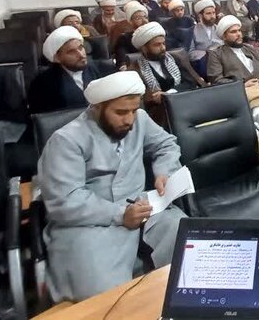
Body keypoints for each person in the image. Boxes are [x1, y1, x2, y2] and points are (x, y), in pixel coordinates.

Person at [37, 72, 187, 302]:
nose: (129, 120)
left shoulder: (140, 119)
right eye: (120, 112)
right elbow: (65, 200)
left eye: (133, 110)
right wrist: (120, 215)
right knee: (104, 295)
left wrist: (164, 171)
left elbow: (166, 145)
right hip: (89, 221)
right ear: (98, 108)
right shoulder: (66, 140)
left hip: (142, 208)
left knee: (189, 247)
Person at [128, 22, 204, 128]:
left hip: (184, 102)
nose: (163, 48)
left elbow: (189, 82)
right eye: (157, 45)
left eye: (163, 43)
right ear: (144, 48)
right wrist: (155, 98)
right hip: (160, 114)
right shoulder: (135, 70)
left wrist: (169, 93)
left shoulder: (175, 59)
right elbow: (143, 99)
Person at [29, 26, 116, 114]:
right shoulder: (43, 84)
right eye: (71, 52)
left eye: (81, 48)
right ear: (57, 58)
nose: (81, 55)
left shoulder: (103, 69)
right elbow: (44, 118)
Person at [206, 15, 259, 122]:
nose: (238, 34)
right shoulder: (216, 54)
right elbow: (217, 80)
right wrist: (242, 84)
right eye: (233, 32)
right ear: (224, 36)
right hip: (241, 94)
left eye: (239, 30)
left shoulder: (250, 48)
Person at [111, 1, 149, 67]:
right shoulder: (124, 38)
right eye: (138, 18)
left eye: (145, 17)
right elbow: (122, 61)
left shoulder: (154, 35)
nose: (144, 21)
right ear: (130, 22)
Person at [190, 0, 223, 77]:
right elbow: (190, 53)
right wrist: (205, 54)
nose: (212, 16)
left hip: (221, 62)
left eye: (214, 13)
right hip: (203, 64)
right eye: (208, 13)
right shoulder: (192, 31)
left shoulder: (219, 29)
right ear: (200, 15)